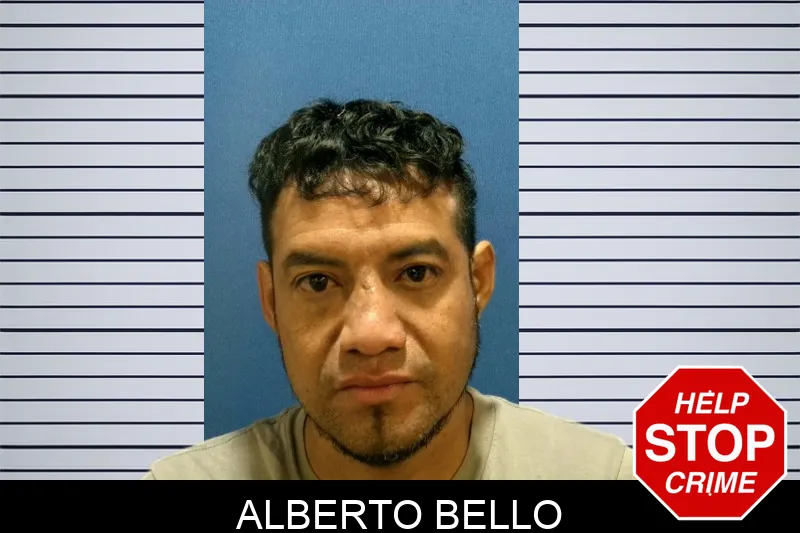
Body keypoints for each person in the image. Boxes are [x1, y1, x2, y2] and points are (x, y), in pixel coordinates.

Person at [142, 99, 633, 480]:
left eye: (416, 273)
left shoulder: (601, 475)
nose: (371, 335)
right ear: (271, 300)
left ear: (477, 281)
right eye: (318, 281)